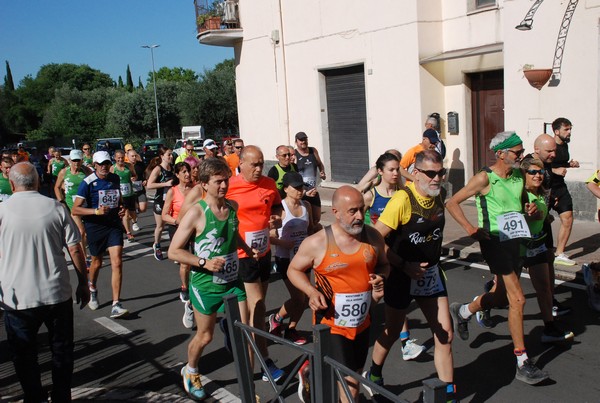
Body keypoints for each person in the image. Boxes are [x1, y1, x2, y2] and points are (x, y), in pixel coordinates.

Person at [445, 131, 549, 385]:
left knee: (502, 297)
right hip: (494, 243)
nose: (521, 156)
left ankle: (465, 311)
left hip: (517, 242)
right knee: (518, 299)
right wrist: (469, 228)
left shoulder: (516, 177)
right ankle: (522, 361)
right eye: (517, 152)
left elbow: (522, 202)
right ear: (501, 153)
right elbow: (452, 202)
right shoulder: (484, 178)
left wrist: (530, 209)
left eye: (522, 151)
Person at [363, 150, 455, 401]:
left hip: (431, 274)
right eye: (430, 173)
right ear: (415, 174)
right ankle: (374, 374)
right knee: (392, 331)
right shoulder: (402, 200)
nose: (437, 178)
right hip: (401, 275)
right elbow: (375, 239)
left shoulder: (439, 195)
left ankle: (447, 395)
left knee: (444, 335)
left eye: (440, 173)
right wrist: (403, 265)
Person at [288, 185, 388, 402]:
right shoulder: (317, 242)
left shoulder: (373, 237)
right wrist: (310, 291)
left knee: (353, 376)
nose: (360, 216)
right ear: (336, 212)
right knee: (350, 385)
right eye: (353, 211)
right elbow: (293, 269)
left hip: (362, 321)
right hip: (331, 324)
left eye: (362, 209)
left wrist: (381, 277)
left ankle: (310, 372)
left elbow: (384, 265)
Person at [0, 162, 89, 403]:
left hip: (17, 297)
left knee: (23, 354)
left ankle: (33, 395)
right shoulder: (56, 208)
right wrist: (83, 282)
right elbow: (76, 249)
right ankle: (61, 395)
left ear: (11, 183)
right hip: (56, 293)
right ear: (38, 181)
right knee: (61, 350)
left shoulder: (2, 211)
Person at [169, 158, 252, 401]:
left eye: (226, 179)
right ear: (204, 184)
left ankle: (248, 390)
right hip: (205, 284)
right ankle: (191, 370)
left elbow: (231, 235)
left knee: (245, 333)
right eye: (218, 181)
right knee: (205, 336)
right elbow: (174, 251)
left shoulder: (232, 206)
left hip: (233, 281)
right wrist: (204, 262)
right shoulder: (196, 212)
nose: (224, 185)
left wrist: (248, 248)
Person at [226, 145, 285, 381]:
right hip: (243, 255)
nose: (259, 168)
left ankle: (260, 357)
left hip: (263, 252)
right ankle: (258, 367)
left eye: (261, 163)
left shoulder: (269, 185)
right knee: (257, 307)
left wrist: (277, 218)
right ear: (241, 163)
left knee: (258, 311)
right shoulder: (230, 186)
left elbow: (277, 206)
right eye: (254, 164)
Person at [363, 152, 426, 361]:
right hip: (376, 255)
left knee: (398, 300)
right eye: (391, 169)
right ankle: (358, 329)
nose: (395, 173)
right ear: (380, 171)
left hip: (398, 255)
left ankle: (405, 342)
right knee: (373, 298)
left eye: (398, 169)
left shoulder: (403, 193)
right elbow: (359, 224)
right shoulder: (370, 196)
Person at [519, 157, 574, 343]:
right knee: (502, 295)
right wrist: (527, 216)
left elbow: (541, 215)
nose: (538, 175)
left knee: (543, 288)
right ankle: (470, 309)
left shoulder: (542, 192)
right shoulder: (519, 195)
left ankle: (549, 328)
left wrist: (544, 217)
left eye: (540, 172)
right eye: (532, 172)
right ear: (523, 175)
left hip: (537, 244)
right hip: (517, 247)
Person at [72, 151, 129, 319]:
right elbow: (75, 209)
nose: (104, 166)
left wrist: (122, 208)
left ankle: (116, 303)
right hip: (95, 226)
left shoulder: (115, 179)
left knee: (117, 261)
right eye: (101, 164)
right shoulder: (87, 183)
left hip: (113, 225)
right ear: (94, 165)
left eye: (106, 163)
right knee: (96, 262)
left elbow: (119, 200)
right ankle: (92, 288)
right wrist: (95, 211)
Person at [522, 134, 570, 318]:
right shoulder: (527, 166)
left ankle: (551, 302)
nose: (553, 154)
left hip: (541, 222)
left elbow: (542, 192)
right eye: (549, 151)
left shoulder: (546, 165)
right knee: (510, 275)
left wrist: (546, 210)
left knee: (548, 259)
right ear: (537, 150)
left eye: (554, 151)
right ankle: (486, 301)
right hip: (526, 227)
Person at [268, 172, 313, 345]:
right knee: (298, 298)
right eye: (296, 187)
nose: (300, 190)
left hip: (303, 257)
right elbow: (270, 236)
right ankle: (277, 318)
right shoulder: (280, 209)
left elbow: (310, 229)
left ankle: (291, 328)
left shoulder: (306, 206)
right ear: (286, 189)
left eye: (302, 187)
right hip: (285, 258)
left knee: (304, 298)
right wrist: (284, 243)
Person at [162, 162, 195, 328]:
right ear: (177, 174)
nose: (187, 174)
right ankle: (184, 287)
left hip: (195, 228)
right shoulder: (172, 192)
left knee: (196, 260)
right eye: (183, 172)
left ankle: (194, 289)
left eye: (188, 171)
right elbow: (164, 215)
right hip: (178, 228)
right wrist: (177, 221)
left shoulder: (195, 189)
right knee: (185, 262)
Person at [54, 149, 93, 266]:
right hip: (72, 204)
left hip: (85, 203)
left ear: (82, 160)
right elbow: (56, 187)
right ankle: (84, 258)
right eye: (74, 160)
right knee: (81, 231)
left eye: (78, 160)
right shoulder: (64, 172)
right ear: (70, 160)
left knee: (87, 231)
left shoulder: (86, 170)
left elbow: (94, 182)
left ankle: (87, 248)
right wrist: (61, 201)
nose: (76, 163)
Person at [550, 117, 579, 265]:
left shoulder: (564, 146)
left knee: (567, 218)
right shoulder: (549, 145)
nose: (569, 132)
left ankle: (559, 253)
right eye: (566, 129)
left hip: (560, 187)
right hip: (546, 187)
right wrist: (555, 170)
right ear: (556, 131)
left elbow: (559, 163)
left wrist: (569, 164)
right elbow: (537, 165)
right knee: (539, 221)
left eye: (570, 129)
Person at [146, 147, 174, 261]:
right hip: (160, 200)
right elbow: (149, 185)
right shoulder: (158, 169)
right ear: (162, 156)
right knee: (160, 226)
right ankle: (157, 244)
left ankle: (175, 248)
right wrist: (165, 184)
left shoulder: (172, 168)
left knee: (173, 224)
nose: (171, 157)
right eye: (169, 155)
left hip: (171, 200)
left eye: (172, 154)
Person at [294, 131, 326, 229]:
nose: (303, 142)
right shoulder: (294, 154)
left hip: (313, 191)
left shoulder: (313, 151)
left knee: (316, 219)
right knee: (306, 221)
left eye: (305, 139)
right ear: (296, 142)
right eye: (301, 140)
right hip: (302, 193)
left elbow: (320, 163)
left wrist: (322, 172)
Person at [110, 150, 138, 243]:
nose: (120, 159)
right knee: (125, 214)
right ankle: (129, 233)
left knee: (133, 213)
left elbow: (135, 175)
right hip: (120, 196)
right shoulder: (113, 168)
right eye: (118, 158)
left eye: (122, 157)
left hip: (130, 194)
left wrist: (133, 178)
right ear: (115, 158)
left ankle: (133, 221)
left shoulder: (129, 166)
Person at [127, 148, 147, 231]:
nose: (134, 157)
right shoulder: (125, 166)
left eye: (135, 156)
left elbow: (146, 173)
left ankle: (135, 214)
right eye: (132, 156)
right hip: (130, 191)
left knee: (143, 208)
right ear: (128, 157)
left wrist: (146, 180)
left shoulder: (140, 164)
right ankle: (134, 222)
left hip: (140, 189)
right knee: (132, 208)